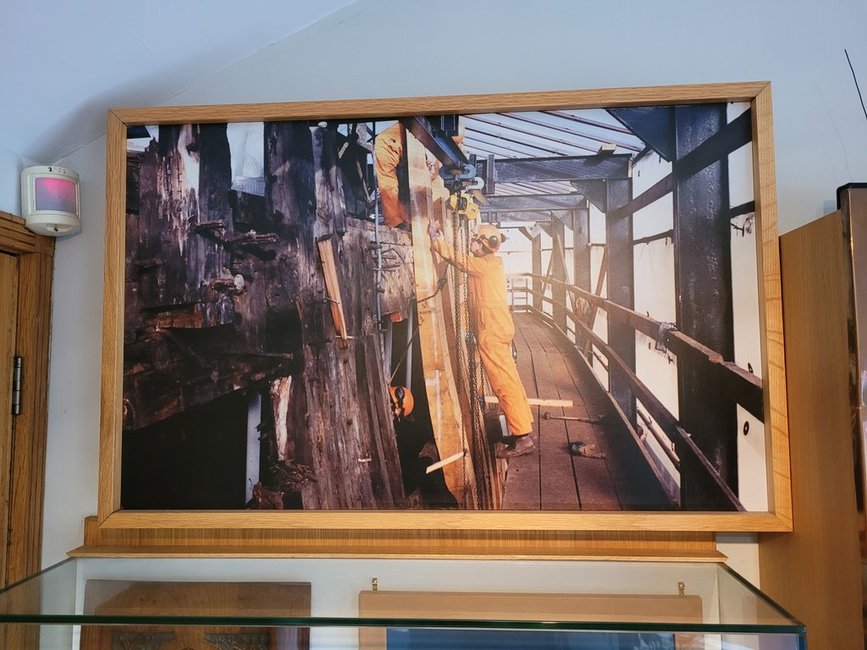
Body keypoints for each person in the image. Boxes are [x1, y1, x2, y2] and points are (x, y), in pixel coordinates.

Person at [428, 219, 536, 458]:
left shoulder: (484, 265)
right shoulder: (489, 263)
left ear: (484, 245)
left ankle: (523, 437)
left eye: (475, 240)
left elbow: (462, 262)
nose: (471, 243)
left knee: (503, 384)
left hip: (492, 332)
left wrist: (437, 241)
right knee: (511, 380)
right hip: (496, 328)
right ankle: (524, 428)